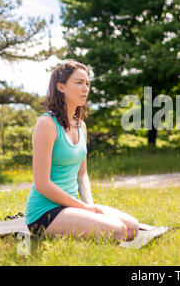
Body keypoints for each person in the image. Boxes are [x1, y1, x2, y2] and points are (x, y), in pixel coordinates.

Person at [25, 60, 139, 240]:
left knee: (132, 227)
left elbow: (82, 174)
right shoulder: (46, 124)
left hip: (73, 207)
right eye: (79, 83)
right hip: (45, 212)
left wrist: (89, 205)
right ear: (61, 87)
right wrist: (83, 209)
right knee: (117, 231)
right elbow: (42, 184)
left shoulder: (81, 126)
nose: (85, 88)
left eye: (87, 83)